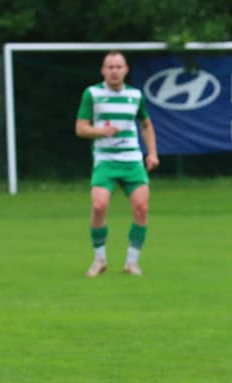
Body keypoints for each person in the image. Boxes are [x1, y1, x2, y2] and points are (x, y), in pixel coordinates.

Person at [75, 51, 159, 277]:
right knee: (98, 206)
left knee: (141, 208)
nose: (114, 71)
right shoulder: (92, 94)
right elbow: (81, 128)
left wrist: (152, 153)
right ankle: (99, 260)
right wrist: (101, 131)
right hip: (105, 161)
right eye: (110, 67)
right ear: (103, 70)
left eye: (118, 67)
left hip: (132, 161)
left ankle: (132, 263)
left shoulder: (135, 95)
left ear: (126, 70)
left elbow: (146, 125)